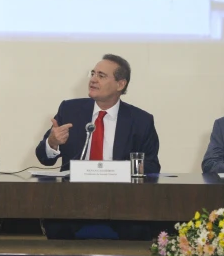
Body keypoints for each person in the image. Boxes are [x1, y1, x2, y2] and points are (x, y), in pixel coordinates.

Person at [35, 54, 160, 240]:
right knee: (56, 223)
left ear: (120, 84)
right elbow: (44, 158)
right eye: (93, 73)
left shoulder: (141, 121)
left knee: (138, 227)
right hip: (73, 200)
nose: (93, 79)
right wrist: (52, 142)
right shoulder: (70, 110)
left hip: (122, 201)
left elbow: (151, 167)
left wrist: (117, 171)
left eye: (101, 76)